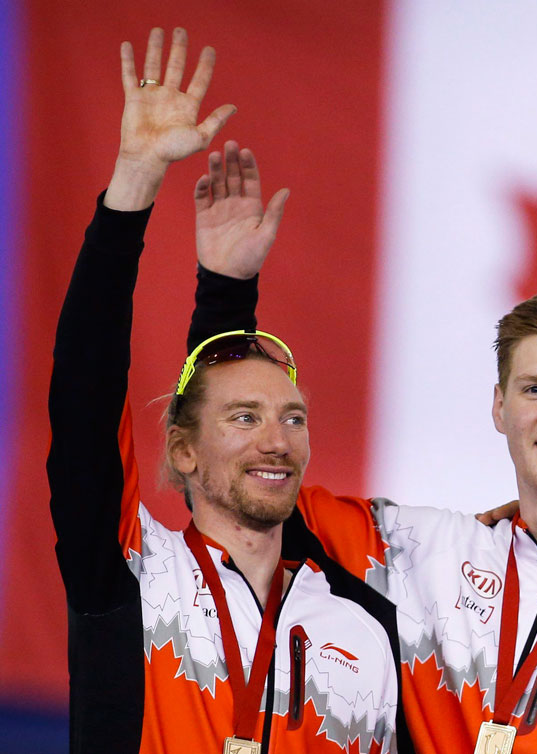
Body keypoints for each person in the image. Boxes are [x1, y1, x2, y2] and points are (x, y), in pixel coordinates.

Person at [187, 157, 537, 752]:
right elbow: (236, 483)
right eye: (535, 389)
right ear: (499, 407)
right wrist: (226, 295)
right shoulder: (413, 557)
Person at [50, 28, 403, 753]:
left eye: (293, 418)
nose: (276, 438)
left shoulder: (365, 624)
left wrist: (228, 290)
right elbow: (84, 400)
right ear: (181, 451)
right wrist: (134, 188)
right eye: (247, 418)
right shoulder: (133, 576)